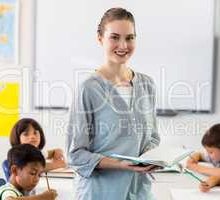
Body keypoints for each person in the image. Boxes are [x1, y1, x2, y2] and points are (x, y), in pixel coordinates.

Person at [66, 7, 160, 200]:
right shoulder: (88, 88)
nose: (123, 45)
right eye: (115, 37)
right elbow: (75, 154)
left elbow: (152, 138)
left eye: (130, 37)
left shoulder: (147, 84)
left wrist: (155, 157)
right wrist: (119, 164)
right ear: (100, 38)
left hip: (139, 191)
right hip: (100, 192)